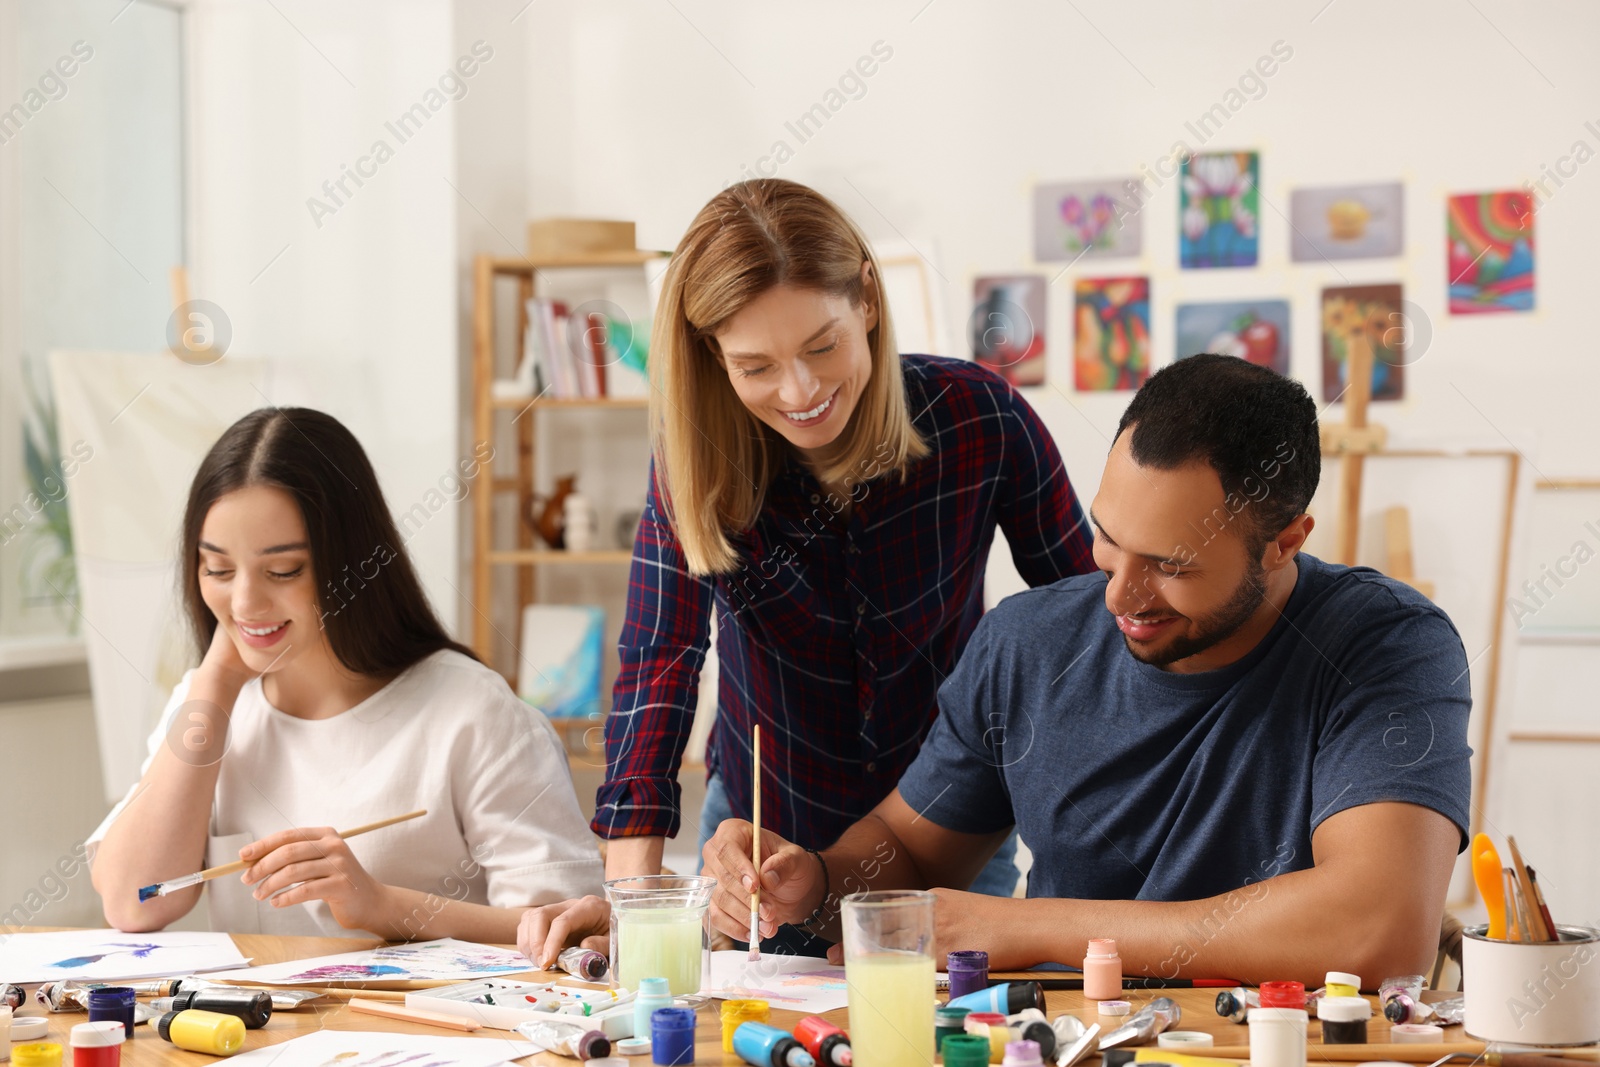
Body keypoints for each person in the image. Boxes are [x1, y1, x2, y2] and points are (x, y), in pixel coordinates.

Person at [699, 355, 1473, 985]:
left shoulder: (1387, 646)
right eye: (1108, 539)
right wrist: (816, 883)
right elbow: (907, 850)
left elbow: (1378, 926)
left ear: (1284, 541)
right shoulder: (1027, 643)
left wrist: (1027, 924)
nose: (1120, 594)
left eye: (1170, 564)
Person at [516, 178, 1095, 965]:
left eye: (822, 347)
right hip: (758, 844)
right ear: (712, 357)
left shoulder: (981, 419)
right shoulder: (695, 466)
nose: (801, 392)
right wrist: (631, 902)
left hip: (949, 835)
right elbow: (660, 664)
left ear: (867, 299)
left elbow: (1090, 623)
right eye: (756, 367)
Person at [90, 407, 604, 940]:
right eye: (216, 569)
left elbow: (568, 934)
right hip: (256, 1024)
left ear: (351, 562)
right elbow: (134, 903)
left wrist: (381, 906)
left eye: (283, 570)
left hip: (428, 1024)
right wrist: (216, 681)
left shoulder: (473, 711)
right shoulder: (206, 705)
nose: (244, 601)